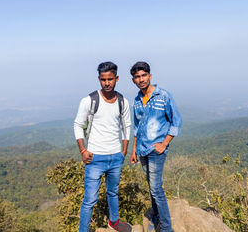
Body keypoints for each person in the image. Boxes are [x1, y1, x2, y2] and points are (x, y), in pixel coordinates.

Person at [74, 61, 132, 232]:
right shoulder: (89, 100)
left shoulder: (122, 101)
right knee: (90, 199)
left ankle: (114, 222)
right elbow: (78, 124)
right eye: (103, 79)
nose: (107, 83)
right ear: (99, 79)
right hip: (94, 157)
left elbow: (127, 125)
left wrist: (124, 150)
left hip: (115, 157)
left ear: (117, 78)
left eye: (110, 79)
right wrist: (83, 150)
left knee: (113, 192)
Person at [130, 61, 182, 232]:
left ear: (150, 76)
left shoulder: (163, 96)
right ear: (133, 80)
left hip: (156, 150)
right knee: (151, 186)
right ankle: (157, 217)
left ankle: (167, 228)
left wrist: (164, 143)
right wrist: (134, 150)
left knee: (156, 188)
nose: (141, 79)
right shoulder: (137, 100)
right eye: (137, 77)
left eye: (144, 75)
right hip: (142, 149)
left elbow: (176, 121)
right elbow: (137, 127)